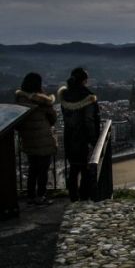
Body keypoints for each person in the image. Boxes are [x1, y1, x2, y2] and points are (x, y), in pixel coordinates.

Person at [58, 68, 100, 202]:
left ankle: (73, 197)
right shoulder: (87, 97)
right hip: (83, 138)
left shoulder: (65, 96)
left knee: (73, 169)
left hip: (69, 137)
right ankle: (84, 197)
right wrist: (94, 140)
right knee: (86, 170)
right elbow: (89, 121)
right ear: (84, 80)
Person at [15, 73, 57, 206]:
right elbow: (53, 119)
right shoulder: (43, 102)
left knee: (33, 169)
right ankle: (41, 196)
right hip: (43, 138)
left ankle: (31, 196)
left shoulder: (20, 100)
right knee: (43, 170)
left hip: (28, 139)